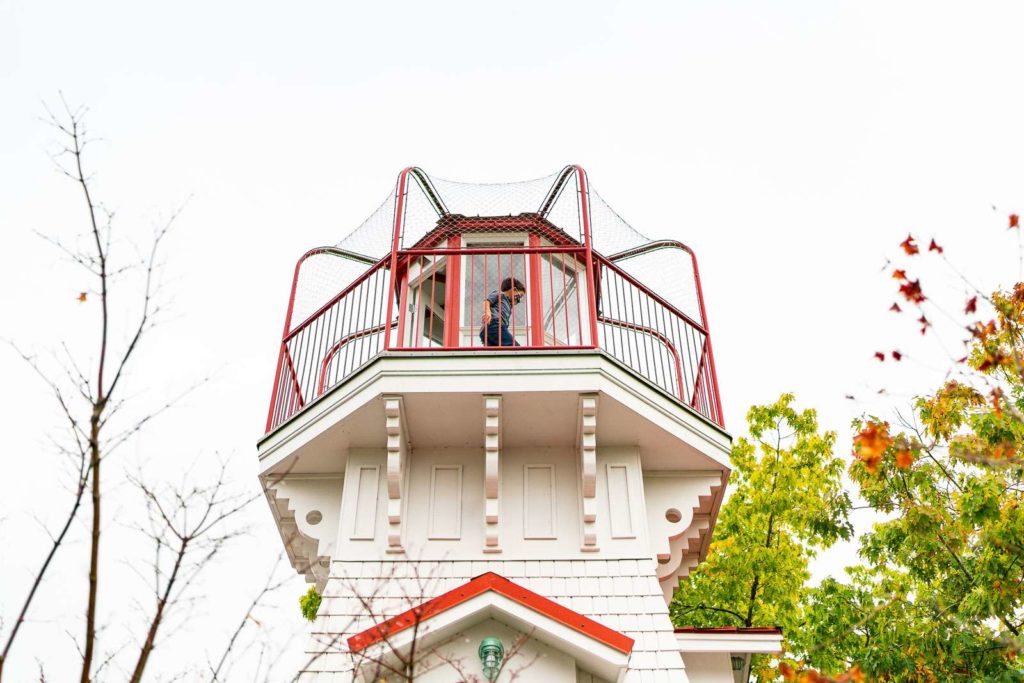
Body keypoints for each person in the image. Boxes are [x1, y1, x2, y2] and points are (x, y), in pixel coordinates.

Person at [479, 277, 526, 347]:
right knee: (515, 346)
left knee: (494, 350)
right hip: (495, 325)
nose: (519, 300)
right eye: (520, 296)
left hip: (487, 330)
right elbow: (487, 301)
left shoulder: (508, 304)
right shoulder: (500, 294)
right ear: (514, 289)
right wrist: (488, 312)